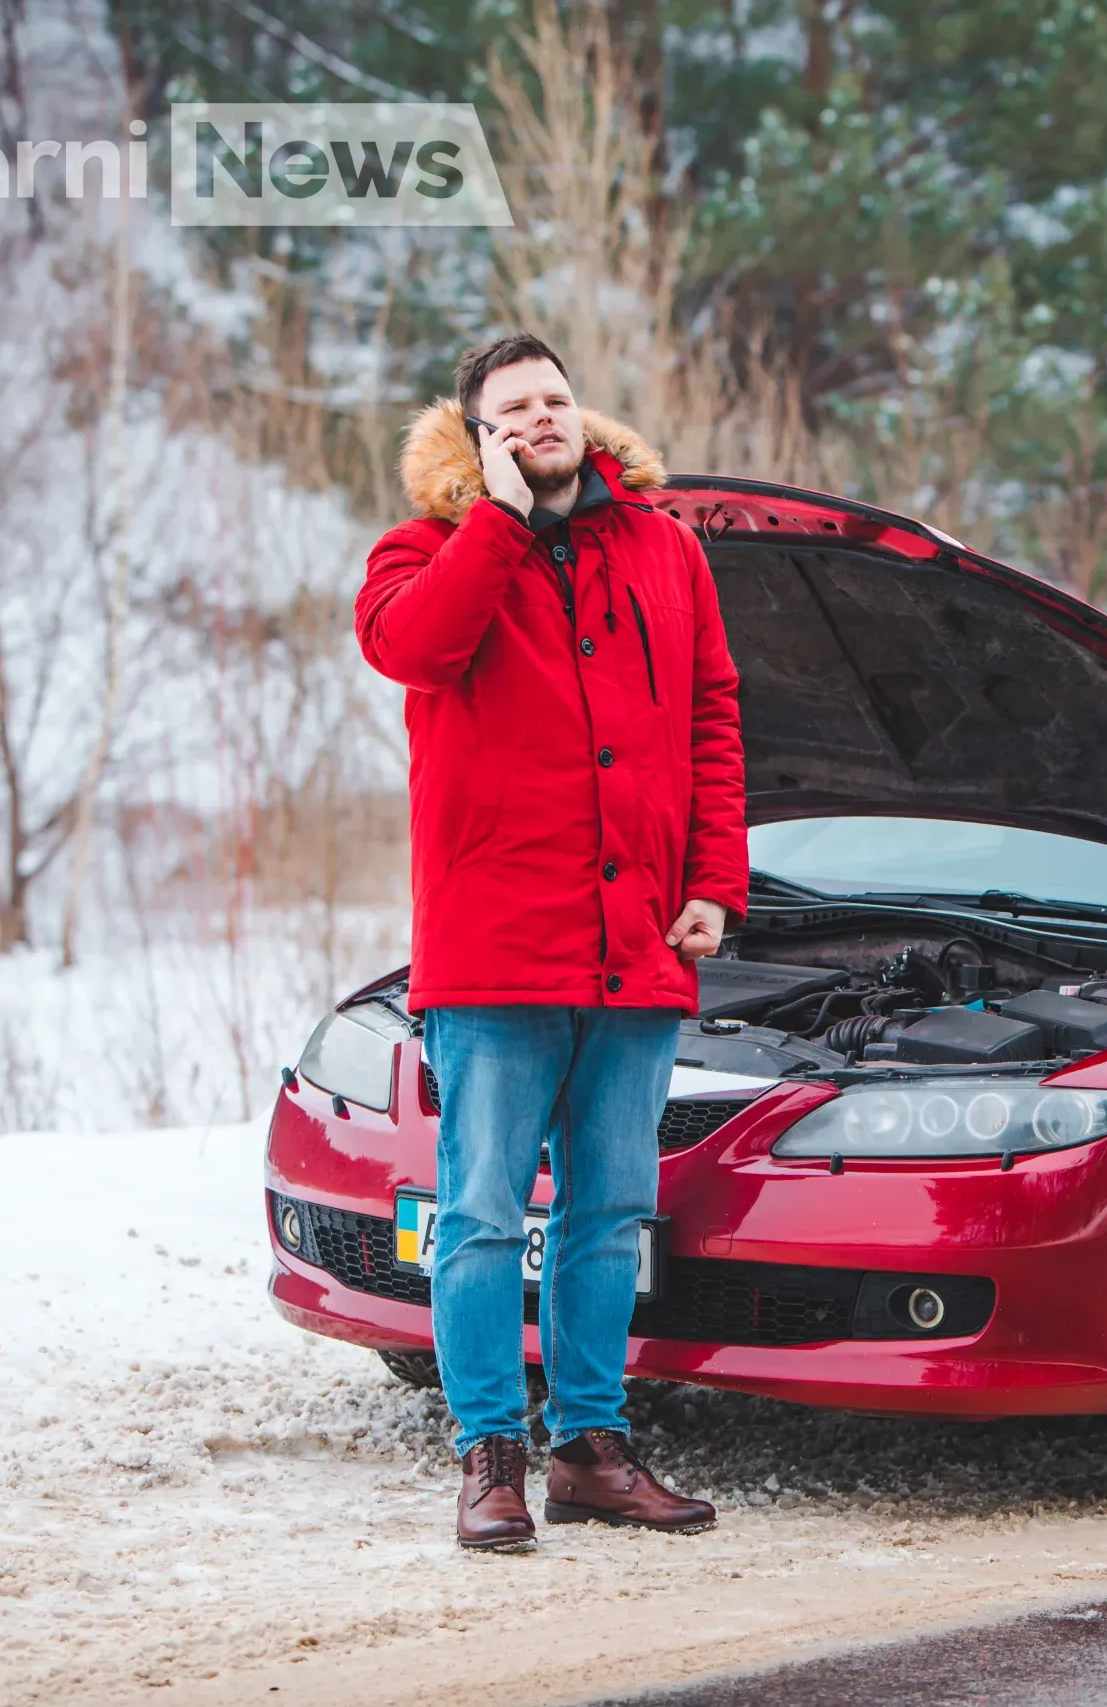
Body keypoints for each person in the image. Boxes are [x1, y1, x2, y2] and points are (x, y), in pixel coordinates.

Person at [356, 334, 744, 1551]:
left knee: (611, 1209)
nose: (541, 417)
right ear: (476, 435)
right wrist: (501, 522)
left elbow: (713, 715)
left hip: (637, 941)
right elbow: (410, 650)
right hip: (494, 949)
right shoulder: (423, 551)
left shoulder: (665, 549)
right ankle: (489, 1453)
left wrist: (713, 884)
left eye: (555, 399)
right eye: (512, 407)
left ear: (584, 415)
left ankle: (588, 1445)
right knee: (476, 1212)